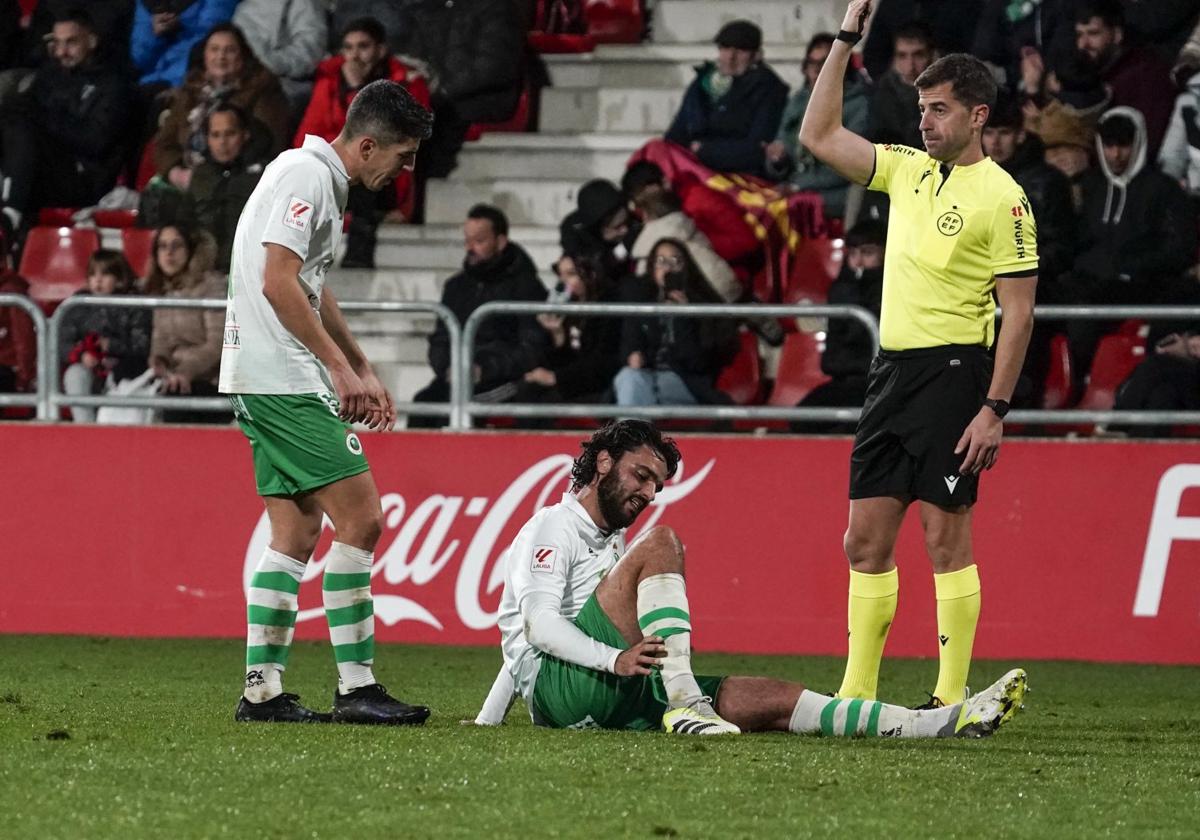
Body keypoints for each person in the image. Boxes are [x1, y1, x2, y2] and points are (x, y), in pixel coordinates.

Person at [474, 419, 1029, 737]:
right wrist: (612, 662)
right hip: (570, 690)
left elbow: (513, 644)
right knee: (663, 541)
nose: (646, 493)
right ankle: (685, 701)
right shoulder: (554, 525)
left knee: (773, 698)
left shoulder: (609, 538)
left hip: (614, 691)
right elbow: (538, 627)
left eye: (656, 485)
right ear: (601, 463)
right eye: (640, 475)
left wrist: (486, 723)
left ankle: (937, 724)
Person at [800, 1, 1039, 709]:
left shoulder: (1005, 199)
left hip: (956, 372)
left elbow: (1019, 312)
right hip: (893, 372)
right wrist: (848, 37)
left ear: (976, 116)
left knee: (943, 538)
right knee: (862, 542)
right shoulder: (904, 169)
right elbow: (818, 133)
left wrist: (994, 410)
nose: (924, 121)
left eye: (937, 109)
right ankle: (857, 693)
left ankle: (949, 694)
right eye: (921, 108)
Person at [219, 80, 435, 724]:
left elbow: (310, 284)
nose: (407, 168)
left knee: (295, 530)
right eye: (402, 155)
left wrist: (361, 364)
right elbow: (278, 283)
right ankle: (357, 686)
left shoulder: (310, 175)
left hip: (263, 375)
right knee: (363, 519)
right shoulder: (308, 178)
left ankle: (262, 690)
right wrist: (339, 372)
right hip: (282, 376)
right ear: (366, 144)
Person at [1057, 108, 1198, 381]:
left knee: (1085, 307)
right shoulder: (1090, 187)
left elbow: (1178, 248)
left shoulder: (1163, 189)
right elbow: (1077, 240)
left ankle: (1085, 382)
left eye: (1123, 145)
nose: (1115, 154)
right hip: (1092, 281)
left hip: (1144, 285)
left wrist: (1131, 268)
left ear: (1139, 142)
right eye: (1109, 145)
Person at [295, 16, 432, 268]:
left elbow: (406, 136)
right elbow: (308, 137)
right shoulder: (330, 83)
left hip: (386, 176)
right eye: (348, 47)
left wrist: (356, 90)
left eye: (363, 46)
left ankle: (357, 252)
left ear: (380, 50)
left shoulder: (406, 83)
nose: (354, 55)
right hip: (339, 171)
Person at [410, 204, 547, 426]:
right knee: (424, 404)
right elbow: (440, 339)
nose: (470, 248)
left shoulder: (526, 286)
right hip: (456, 378)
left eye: (479, 241)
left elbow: (532, 346)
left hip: (503, 380)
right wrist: (447, 368)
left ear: (500, 242)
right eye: (467, 240)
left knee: (461, 406)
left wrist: (485, 370)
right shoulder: (455, 286)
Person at [0, 8, 134, 231]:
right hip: (42, 168)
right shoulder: (50, 75)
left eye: (71, 42)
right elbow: (23, 109)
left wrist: (45, 120)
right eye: (57, 44)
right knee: (10, 118)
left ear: (91, 41)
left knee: (24, 129)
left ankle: (9, 214)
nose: (62, 51)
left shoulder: (112, 84)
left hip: (84, 179)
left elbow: (95, 142)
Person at [153, 23, 290, 191]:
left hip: (240, 183)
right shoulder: (190, 91)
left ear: (243, 57)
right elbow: (164, 144)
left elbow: (269, 146)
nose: (221, 57)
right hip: (189, 181)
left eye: (229, 50)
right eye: (214, 49)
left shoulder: (263, 90)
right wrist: (177, 174)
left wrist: (217, 177)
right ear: (204, 55)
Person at [614, 238, 740, 408]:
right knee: (628, 377)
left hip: (686, 382)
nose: (667, 267)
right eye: (660, 261)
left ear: (685, 267)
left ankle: (632, 432)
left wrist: (683, 316)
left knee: (640, 390)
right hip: (647, 376)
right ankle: (638, 431)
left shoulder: (702, 307)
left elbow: (697, 363)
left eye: (675, 261)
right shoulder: (642, 302)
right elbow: (629, 344)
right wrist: (633, 355)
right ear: (652, 268)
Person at [664, 19, 789, 179]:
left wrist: (703, 150)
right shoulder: (702, 83)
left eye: (740, 51)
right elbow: (676, 134)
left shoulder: (769, 89)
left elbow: (757, 149)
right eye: (725, 48)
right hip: (694, 171)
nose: (730, 57)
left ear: (756, 55)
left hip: (740, 177)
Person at [794, 220, 886, 433]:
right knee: (801, 419)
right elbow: (839, 347)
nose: (858, 261)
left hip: (878, 385)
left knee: (852, 427)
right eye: (853, 253)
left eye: (868, 253)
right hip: (844, 381)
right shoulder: (842, 288)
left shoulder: (891, 290)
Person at [765, 32, 870, 218]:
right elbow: (783, 150)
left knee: (781, 211)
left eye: (823, 64)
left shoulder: (858, 105)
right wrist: (777, 160)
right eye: (811, 64)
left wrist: (798, 186)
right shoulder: (798, 101)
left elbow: (845, 167)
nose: (815, 71)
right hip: (796, 186)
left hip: (835, 191)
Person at [1064, 0, 1174, 157]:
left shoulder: (1146, 73)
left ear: (1116, 35)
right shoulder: (1082, 72)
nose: (1083, 44)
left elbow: (1145, 141)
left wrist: (1089, 158)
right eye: (1079, 35)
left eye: (1093, 33)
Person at [144, 224, 228, 425]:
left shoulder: (212, 286)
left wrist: (185, 372)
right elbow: (160, 341)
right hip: (173, 378)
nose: (169, 253)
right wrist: (159, 362)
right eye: (162, 246)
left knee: (175, 397)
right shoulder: (161, 290)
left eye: (176, 245)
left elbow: (217, 344)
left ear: (190, 250)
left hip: (212, 379)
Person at [517, 253, 624, 407]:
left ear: (591, 274)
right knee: (527, 389)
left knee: (545, 400)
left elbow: (603, 362)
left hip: (598, 384)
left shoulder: (609, 305)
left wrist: (556, 377)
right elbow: (566, 357)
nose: (563, 281)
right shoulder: (567, 304)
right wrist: (558, 335)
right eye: (561, 274)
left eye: (571, 274)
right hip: (573, 380)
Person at [59, 250, 151, 423]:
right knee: (74, 374)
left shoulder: (135, 303)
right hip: (91, 370)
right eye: (93, 274)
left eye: (105, 274)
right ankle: (86, 430)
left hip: (126, 373)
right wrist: (81, 355)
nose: (98, 280)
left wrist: (111, 346)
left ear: (121, 279)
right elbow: (61, 342)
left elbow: (142, 345)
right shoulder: (78, 304)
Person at [187, 104, 265, 272]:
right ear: (207, 139)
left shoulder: (264, 177)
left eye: (230, 134)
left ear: (245, 135)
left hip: (250, 273)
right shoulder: (200, 176)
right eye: (215, 135)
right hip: (205, 274)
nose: (222, 142)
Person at [231, 0, 327, 116]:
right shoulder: (244, 9)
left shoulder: (305, 5)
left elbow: (309, 53)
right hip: (245, 80)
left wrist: (268, 63)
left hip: (288, 84)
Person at [130, 0, 238, 90]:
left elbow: (212, 36)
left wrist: (181, 24)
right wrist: (154, 34)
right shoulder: (147, 3)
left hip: (188, 79)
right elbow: (139, 59)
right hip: (150, 81)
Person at [869, 21, 934, 149]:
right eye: (902, 56)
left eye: (918, 55)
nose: (910, 65)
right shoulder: (881, 96)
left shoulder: (949, 90)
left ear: (932, 55)